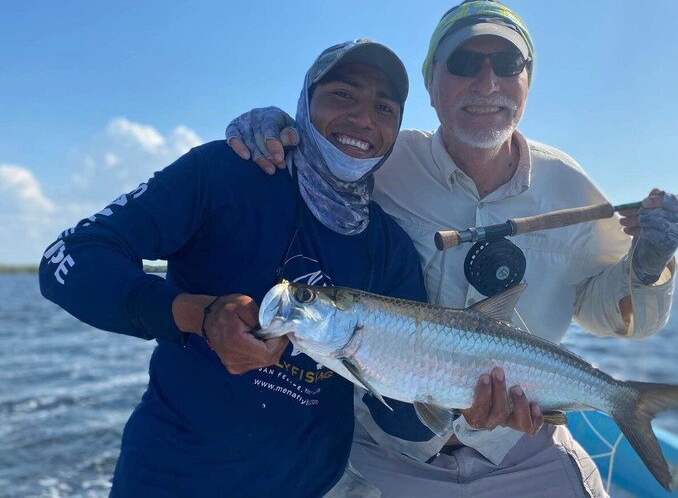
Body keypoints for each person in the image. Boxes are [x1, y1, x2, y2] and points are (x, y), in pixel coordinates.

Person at [224, 0, 678, 497]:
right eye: (465, 63)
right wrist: (278, 137)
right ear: (431, 82)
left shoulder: (571, 188)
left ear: (528, 81)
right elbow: (307, 181)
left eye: (508, 65)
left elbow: (616, 317)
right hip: (385, 448)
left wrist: (648, 263)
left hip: (523, 442)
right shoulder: (381, 159)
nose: (487, 84)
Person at [38, 39, 428, 497]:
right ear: (305, 99)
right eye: (343, 94)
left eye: (384, 108)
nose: (363, 119)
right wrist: (197, 316)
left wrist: (474, 401)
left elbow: (402, 418)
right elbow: (68, 256)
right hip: (175, 481)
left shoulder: (391, 247)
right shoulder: (227, 171)